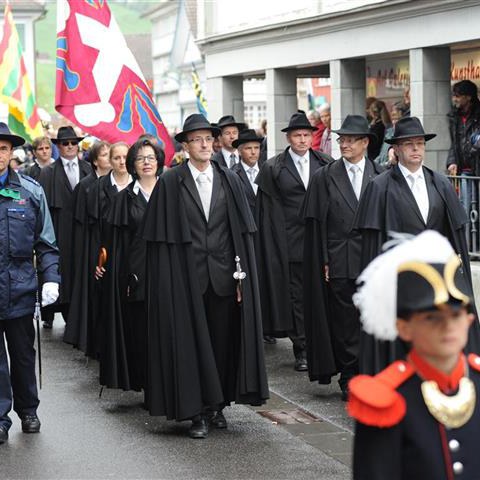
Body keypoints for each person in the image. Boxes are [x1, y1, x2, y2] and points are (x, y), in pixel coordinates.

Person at [141, 113, 268, 439]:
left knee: (222, 343)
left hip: (224, 277)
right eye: (197, 139)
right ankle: (195, 411)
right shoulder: (171, 182)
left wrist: (242, 279)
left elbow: (240, 233)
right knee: (190, 346)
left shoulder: (228, 179)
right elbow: (159, 240)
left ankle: (217, 405)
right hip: (186, 280)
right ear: (185, 145)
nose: (204, 145)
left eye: (208, 139)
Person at [349, 230, 480, 480]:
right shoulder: (386, 401)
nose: (448, 326)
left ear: (469, 319)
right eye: (432, 318)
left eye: (456, 315)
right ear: (404, 328)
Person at [354, 116, 480, 374]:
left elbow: (453, 235)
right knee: (403, 341)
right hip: (399, 281)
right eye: (409, 144)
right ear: (396, 149)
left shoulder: (440, 183)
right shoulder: (379, 187)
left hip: (436, 280)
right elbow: (372, 245)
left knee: (437, 337)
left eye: (420, 144)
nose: (415, 149)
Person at [302, 115, 383, 399]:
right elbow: (317, 224)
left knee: (371, 318)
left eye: (350, 140)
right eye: (341, 140)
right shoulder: (325, 176)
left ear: (365, 143)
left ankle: (370, 371)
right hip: (340, 257)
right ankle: (350, 375)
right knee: (345, 320)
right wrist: (324, 258)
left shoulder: (381, 174)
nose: (344, 144)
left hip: (373, 260)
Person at [255, 111, 333, 371]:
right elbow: (266, 209)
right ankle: (302, 349)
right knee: (297, 297)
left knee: (321, 296)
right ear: (288, 138)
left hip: (320, 241)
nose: (302, 140)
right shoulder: (274, 167)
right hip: (289, 242)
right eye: (297, 135)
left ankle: (321, 345)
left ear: (313, 137)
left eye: (306, 135)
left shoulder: (325, 163)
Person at [0, 123, 60, 444]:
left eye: (3, 149)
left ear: (11, 153)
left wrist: (50, 278)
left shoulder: (29, 191)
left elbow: (46, 242)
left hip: (21, 288)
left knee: (23, 354)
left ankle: (28, 409)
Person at [98, 138, 162, 393]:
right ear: (133, 164)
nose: (146, 163)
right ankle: (144, 381)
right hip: (137, 276)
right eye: (140, 158)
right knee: (139, 331)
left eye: (151, 157)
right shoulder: (124, 199)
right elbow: (115, 244)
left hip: (167, 272)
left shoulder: (170, 192)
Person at [38, 126, 92, 327]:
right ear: (58, 146)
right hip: (59, 230)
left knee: (80, 270)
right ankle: (53, 313)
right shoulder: (47, 172)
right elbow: (43, 209)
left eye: (73, 143)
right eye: (65, 143)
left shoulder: (88, 168)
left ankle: (79, 316)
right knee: (61, 271)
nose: (70, 146)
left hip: (83, 230)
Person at [64, 141, 112, 354]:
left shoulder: (118, 183)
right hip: (91, 245)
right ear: (94, 161)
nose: (110, 158)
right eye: (105, 155)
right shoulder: (85, 186)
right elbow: (79, 225)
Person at [446, 80, 480, 214]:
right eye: (454, 95)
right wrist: (452, 161)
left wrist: (472, 150)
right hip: (464, 171)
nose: (455, 99)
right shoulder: (455, 117)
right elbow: (454, 143)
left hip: (477, 167)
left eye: (458, 96)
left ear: (469, 97)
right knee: (467, 207)